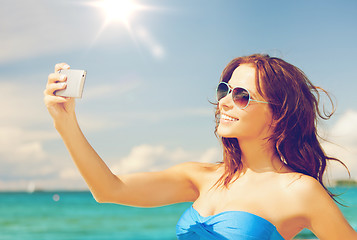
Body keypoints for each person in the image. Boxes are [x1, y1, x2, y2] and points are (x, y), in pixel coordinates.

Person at [44, 54, 357, 240]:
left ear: (278, 115)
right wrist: (65, 122)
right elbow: (109, 190)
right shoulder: (202, 176)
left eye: (242, 95)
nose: (224, 101)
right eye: (225, 90)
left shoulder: (300, 191)